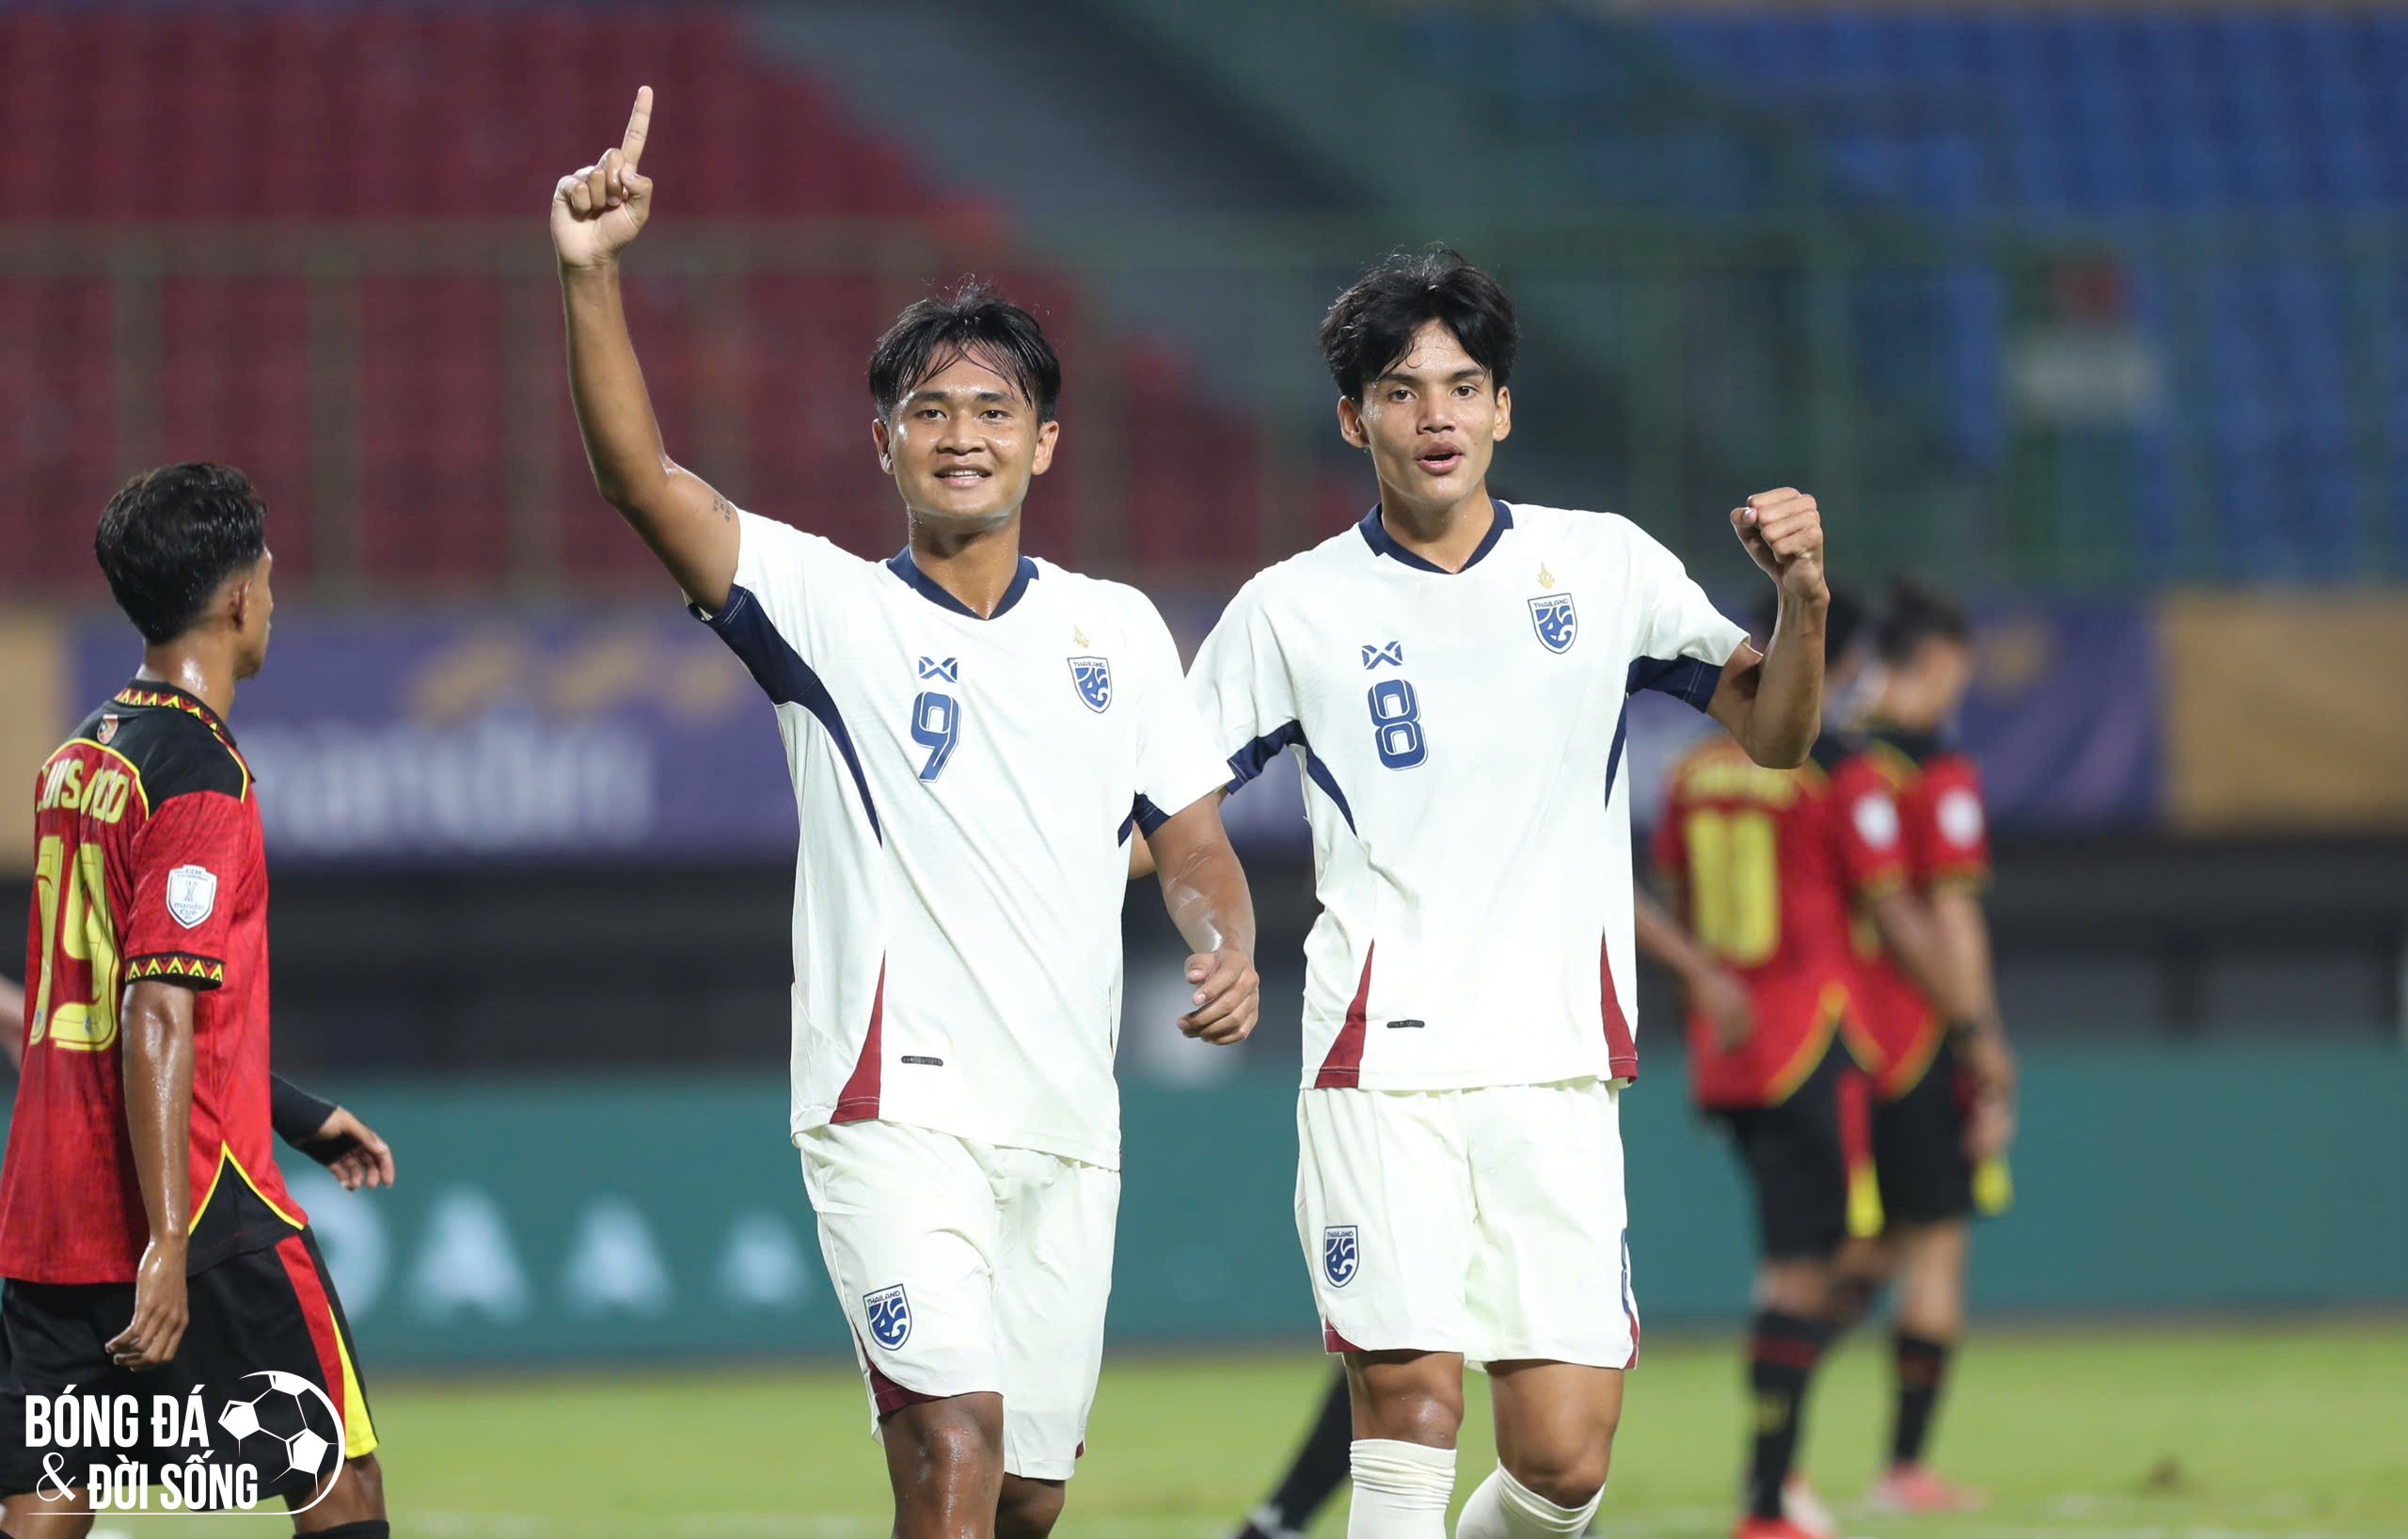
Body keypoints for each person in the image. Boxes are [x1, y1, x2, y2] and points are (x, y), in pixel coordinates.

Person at [551, 89, 1259, 1539]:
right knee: (950, 1451)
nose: (959, 435)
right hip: (893, 1109)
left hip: (1066, 1124)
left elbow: (1192, 841)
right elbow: (643, 480)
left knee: (1027, 1503)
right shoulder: (827, 608)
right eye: (927, 411)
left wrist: (1222, 938)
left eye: (993, 410)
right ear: (883, 445)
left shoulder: (1119, 633)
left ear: (1045, 445)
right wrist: (591, 272)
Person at [1190, 247, 1828, 1539]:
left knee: (1565, 1464)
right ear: (1352, 415)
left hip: (1555, 1065)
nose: (1436, 415)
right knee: (1412, 1406)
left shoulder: (1600, 569)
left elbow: (1774, 733)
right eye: (1402, 388)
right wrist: (1220, 933)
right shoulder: (1291, 609)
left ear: (1504, 410)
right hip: (1382, 1060)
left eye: (1464, 386)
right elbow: (1170, 801)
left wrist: (1802, 600)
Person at [0, 465, 388, 1538]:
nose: (271, 594)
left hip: (48, 1204)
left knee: (48, 1502)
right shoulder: (201, 774)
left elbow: (101, 1002)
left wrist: (298, 1111)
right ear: (236, 600)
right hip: (200, 1205)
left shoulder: (78, 755)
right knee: (338, 1488)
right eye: (266, 574)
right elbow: (155, 1013)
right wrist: (167, 1237)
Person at [1826, 580, 2015, 1515]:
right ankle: (1901, 1468)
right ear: (1936, 664)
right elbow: (1948, 915)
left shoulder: (1830, 762)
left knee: (1867, 1251)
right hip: (1911, 1040)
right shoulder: (1935, 778)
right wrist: (1980, 1037)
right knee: (1931, 1251)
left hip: (1827, 1043)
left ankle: (1778, 1393)